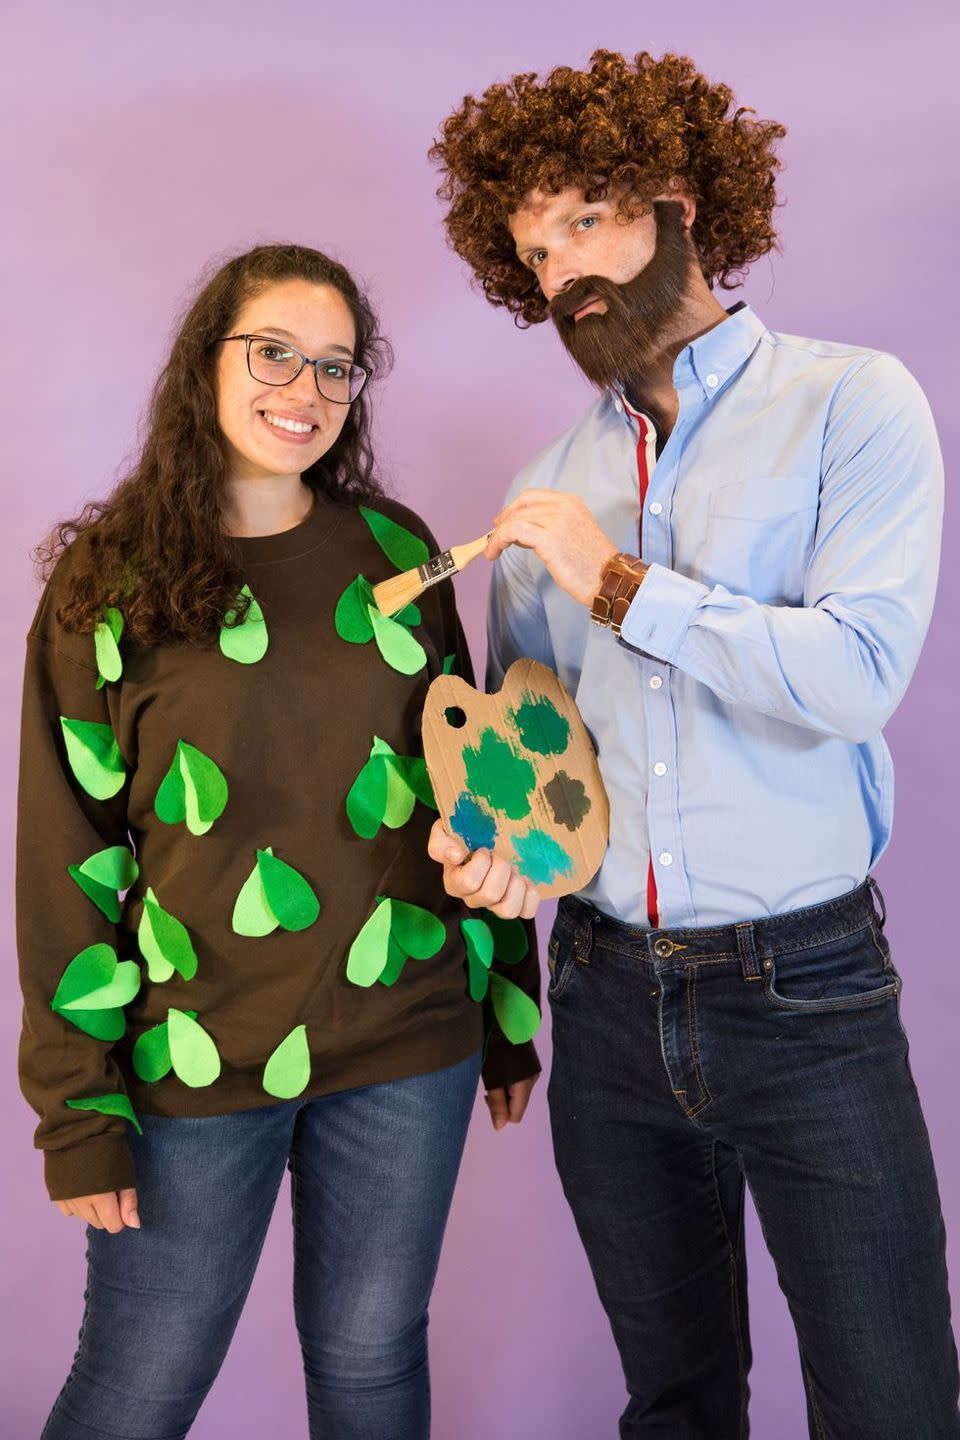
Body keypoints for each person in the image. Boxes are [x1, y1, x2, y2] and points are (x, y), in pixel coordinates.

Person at [427, 49, 959, 1438]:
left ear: (678, 198)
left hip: (809, 991)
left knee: (895, 1404)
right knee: (673, 1405)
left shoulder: (857, 404)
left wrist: (619, 584)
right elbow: (531, 759)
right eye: (533, 253)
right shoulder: (542, 491)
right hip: (601, 996)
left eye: (585, 223)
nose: (561, 277)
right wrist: (492, 848)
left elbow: (854, 676)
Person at [16, 242, 540, 1440]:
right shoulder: (110, 583)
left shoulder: (399, 557)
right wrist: (80, 1112)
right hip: (197, 1060)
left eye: (338, 369)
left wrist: (508, 1009)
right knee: (138, 1389)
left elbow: (474, 787)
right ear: (207, 361)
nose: (304, 391)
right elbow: (67, 856)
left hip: (411, 1040)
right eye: (273, 354)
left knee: (370, 1366)